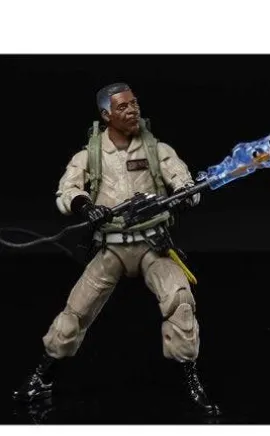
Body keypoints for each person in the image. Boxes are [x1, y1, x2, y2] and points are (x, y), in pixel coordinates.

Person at [12, 82, 220, 416]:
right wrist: (86, 207)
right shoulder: (90, 155)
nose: (132, 110)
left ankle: (192, 380)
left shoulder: (157, 150)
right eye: (123, 106)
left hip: (153, 244)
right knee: (75, 313)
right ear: (106, 115)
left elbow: (184, 183)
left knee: (180, 302)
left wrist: (184, 197)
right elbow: (68, 190)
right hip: (111, 248)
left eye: (134, 103)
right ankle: (41, 378)